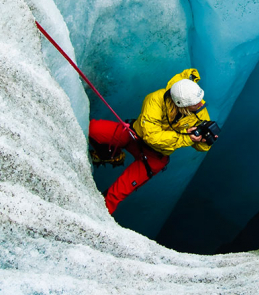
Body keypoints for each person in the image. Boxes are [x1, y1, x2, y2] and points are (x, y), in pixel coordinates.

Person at [88, 68, 214, 214]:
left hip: (154, 156)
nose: (200, 104)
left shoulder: (199, 110)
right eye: (195, 103)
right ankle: (110, 155)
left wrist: (204, 141)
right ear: (181, 103)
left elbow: (202, 147)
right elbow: (151, 136)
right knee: (93, 129)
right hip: (133, 136)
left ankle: (94, 217)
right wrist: (185, 138)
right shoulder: (155, 99)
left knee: (114, 196)